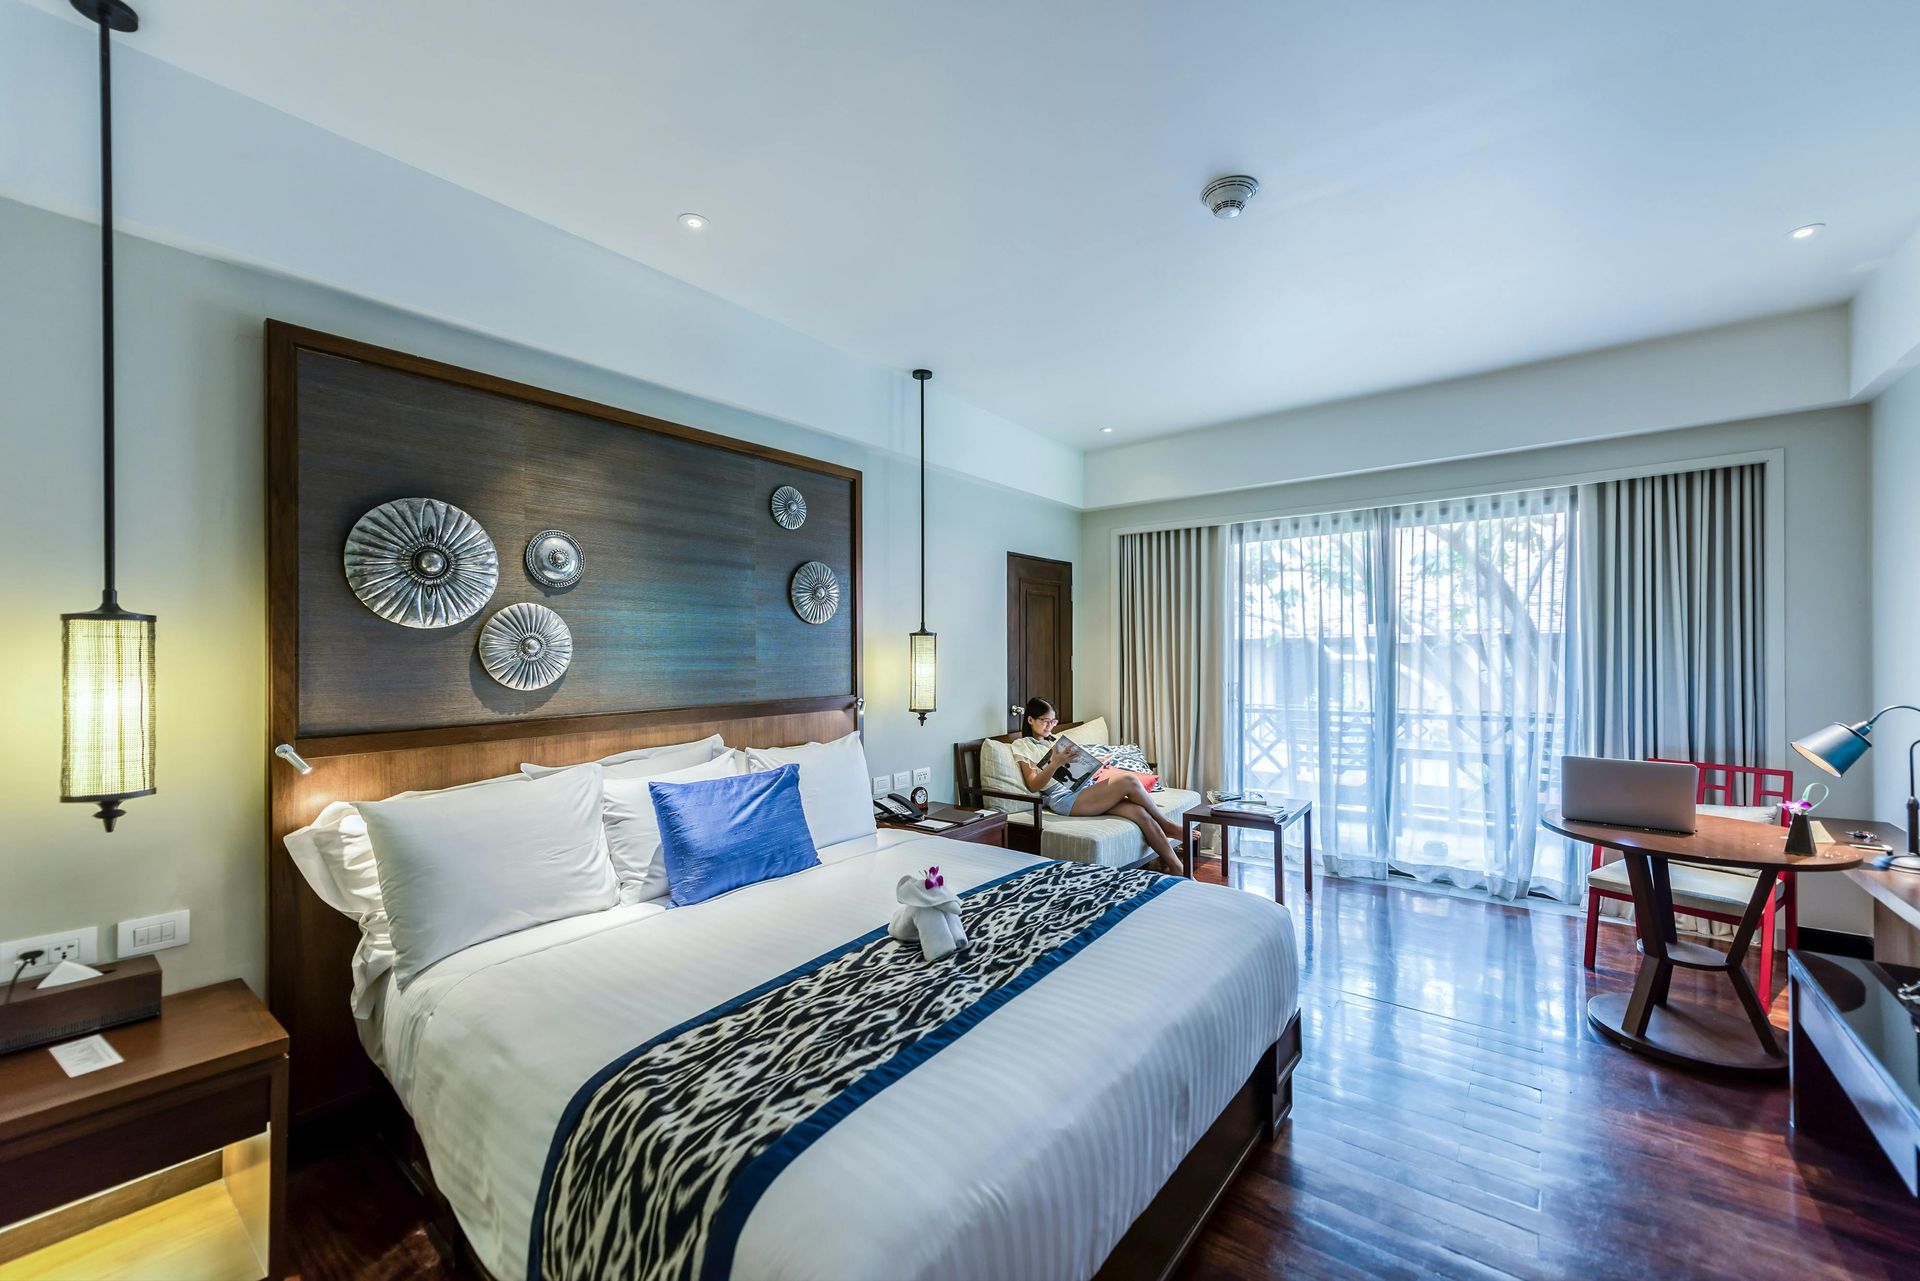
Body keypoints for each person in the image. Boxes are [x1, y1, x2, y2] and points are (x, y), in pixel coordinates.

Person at [1014, 697, 1185, 875]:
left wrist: (1095, 764)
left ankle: (1177, 868)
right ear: (1030, 720)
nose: (1050, 725)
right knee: (1129, 780)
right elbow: (1034, 785)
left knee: (1140, 813)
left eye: (1053, 721)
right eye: (1045, 721)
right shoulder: (1022, 745)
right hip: (1064, 798)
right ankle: (1166, 825)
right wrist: (1054, 764)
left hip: (1084, 788)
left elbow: (1078, 769)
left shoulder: (1056, 740)